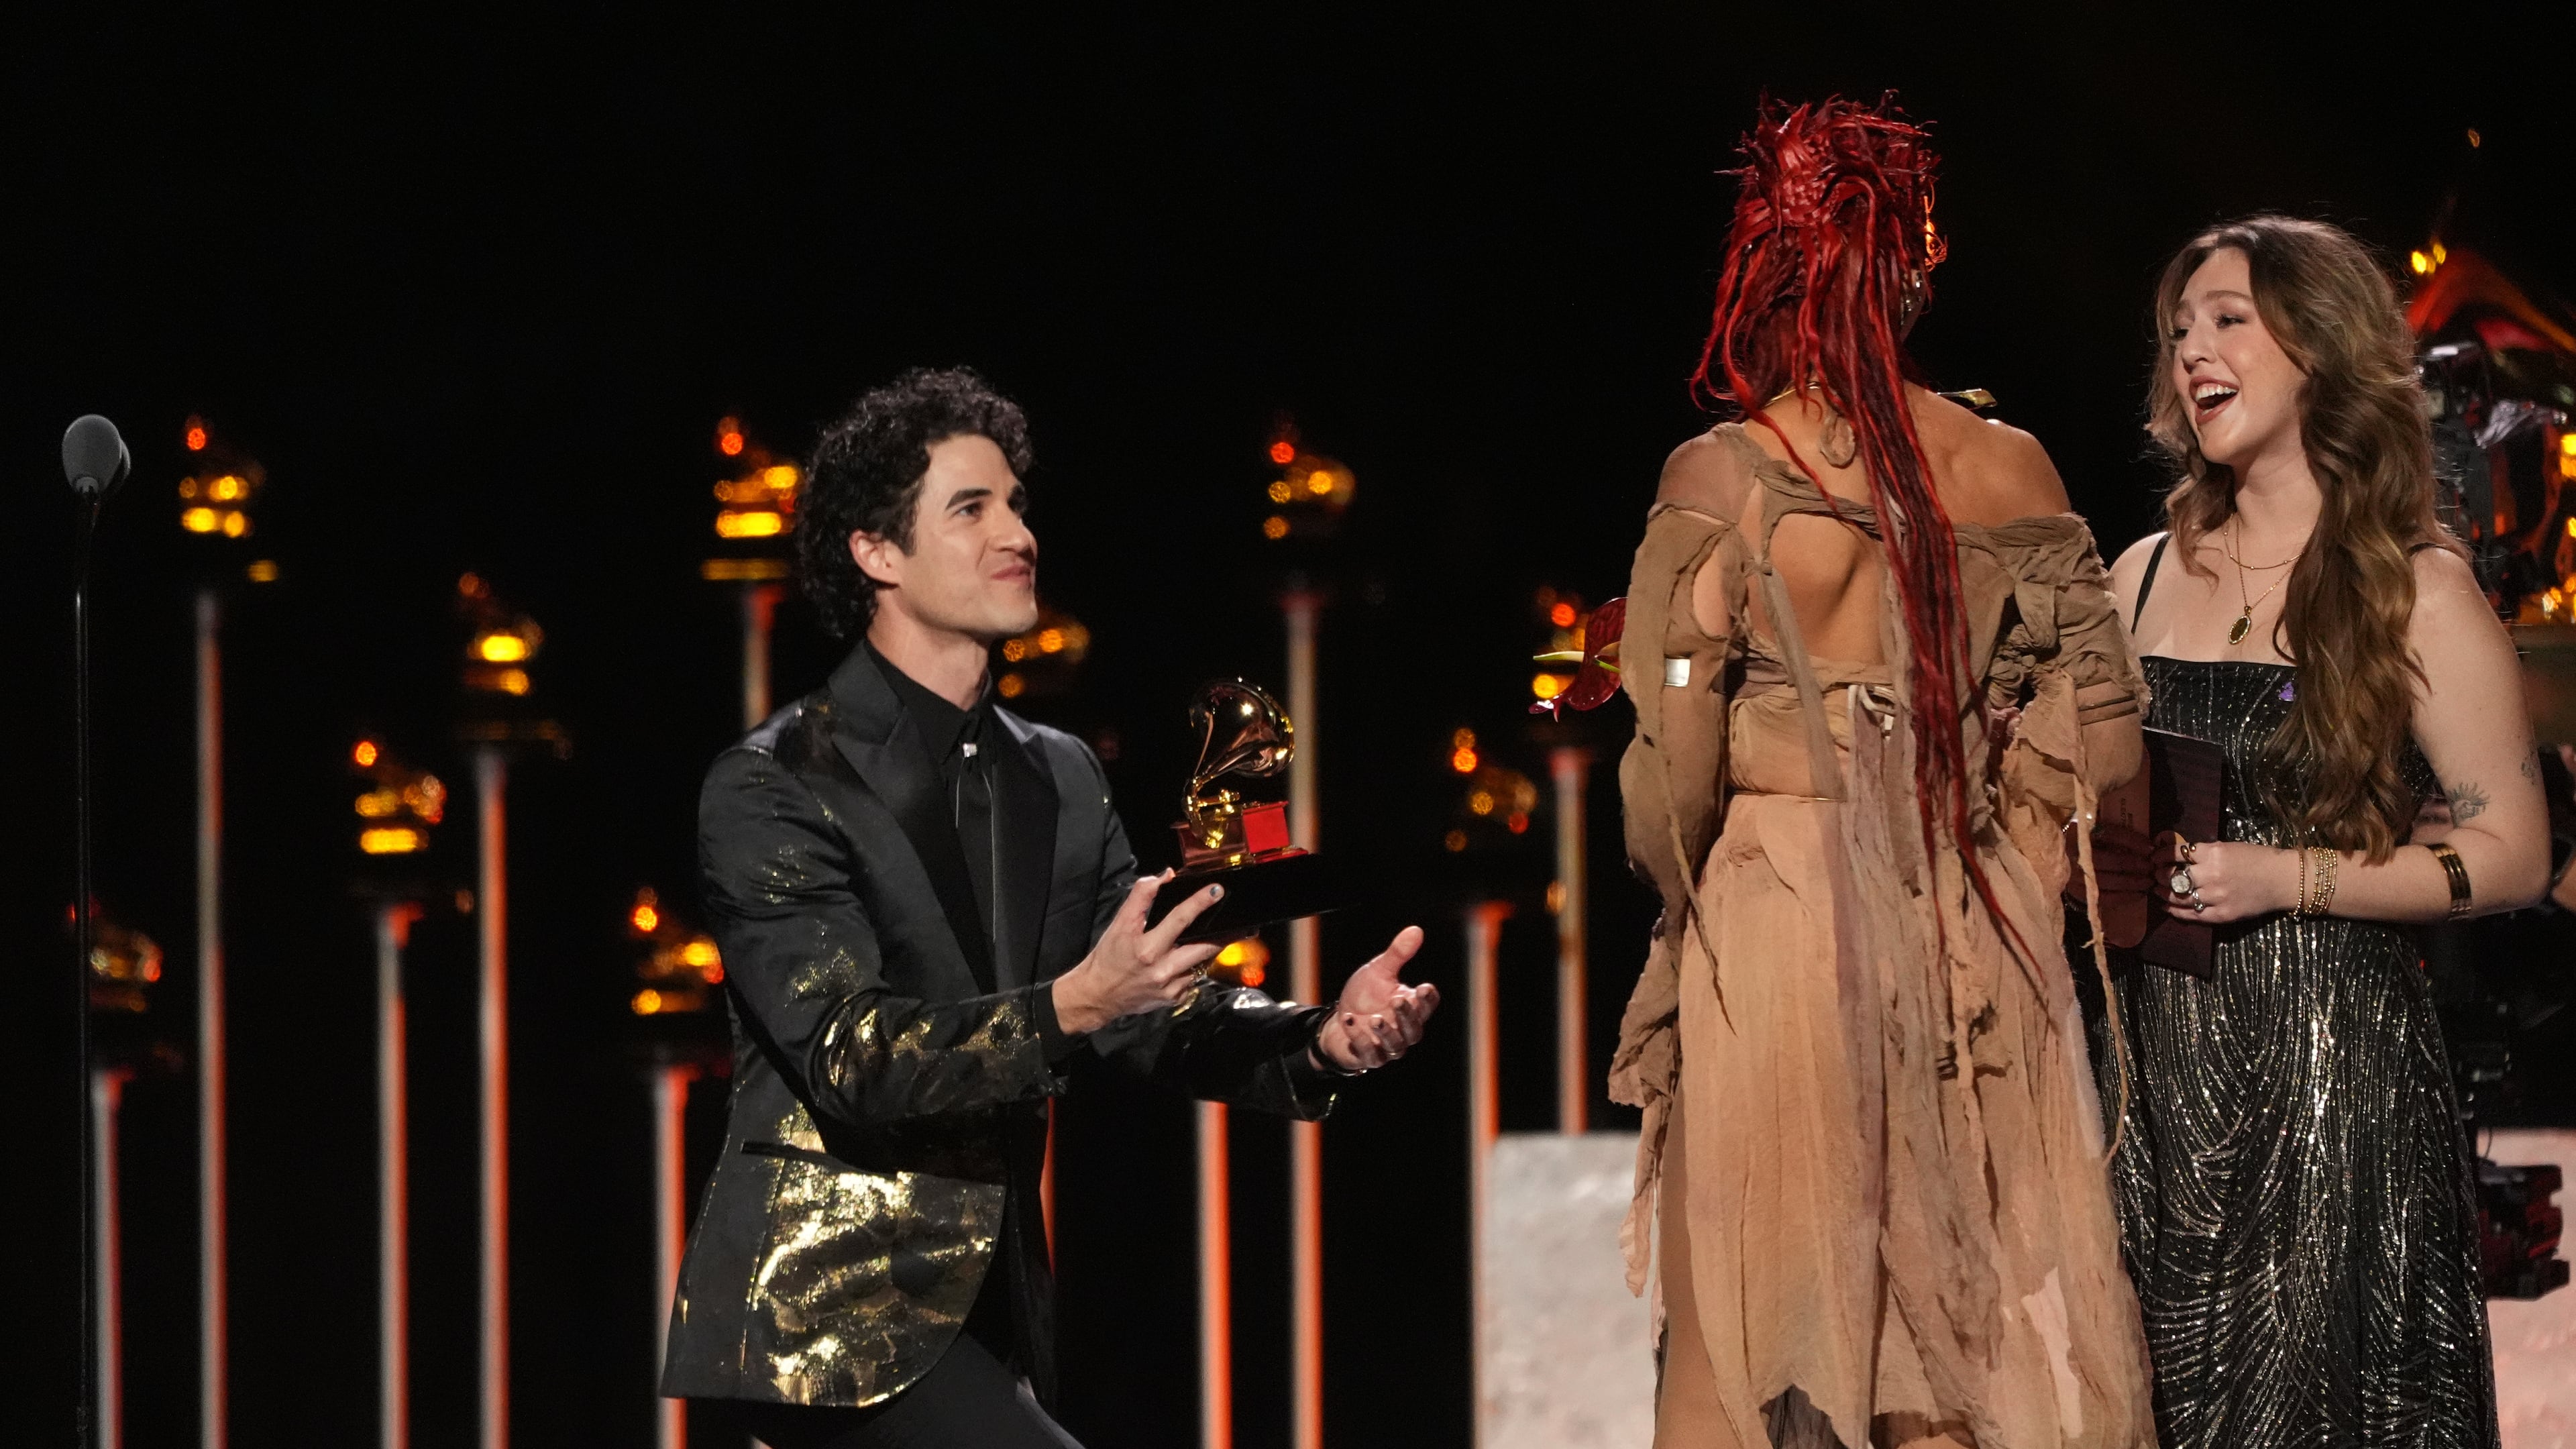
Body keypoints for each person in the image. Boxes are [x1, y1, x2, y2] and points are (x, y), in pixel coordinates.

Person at [659, 367, 1439, 1446]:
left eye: (1017, 503)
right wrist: (1071, 1003)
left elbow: (1142, 1006)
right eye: (970, 509)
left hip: (992, 1311)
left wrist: (1320, 1042)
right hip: (826, 1321)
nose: (1016, 532)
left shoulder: (1059, 775)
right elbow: (853, 1055)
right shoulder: (773, 784)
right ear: (877, 554)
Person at [1607, 97, 2157, 1449]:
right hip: (1971, 920)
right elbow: (2112, 741)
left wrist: (1683, 906)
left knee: (1751, 1349)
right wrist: (2034, 876)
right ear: (1916, 269)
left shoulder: (1724, 475)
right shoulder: (2011, 467)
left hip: (1778, 927)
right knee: (1959, 1347)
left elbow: (1667, 780)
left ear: (1770, 276)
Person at [2098, 216, 2546, 1448]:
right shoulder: (2135, 576)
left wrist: (2285, 877)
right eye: (2181, 328)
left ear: (2322, 348)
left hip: (2332, 1083)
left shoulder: (2414, 586)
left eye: (2230, 318)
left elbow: (2514, 851)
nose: (2195, 349)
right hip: (2149, 1084)